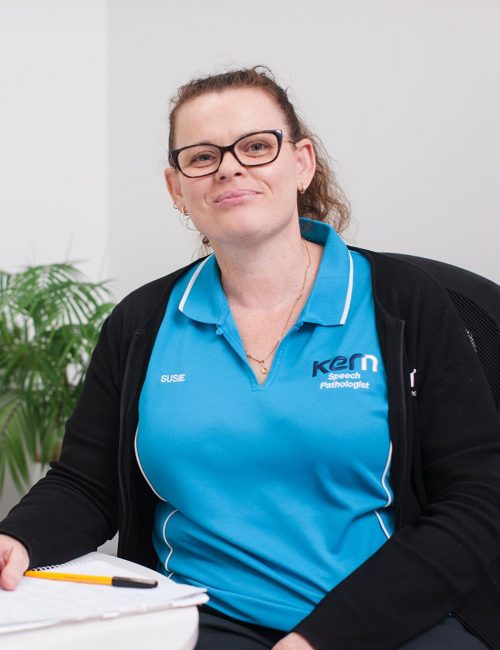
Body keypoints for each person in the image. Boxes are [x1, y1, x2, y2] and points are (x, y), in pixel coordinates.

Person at [0, 66, 499, 650]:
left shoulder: (404, 303)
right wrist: (17, 539)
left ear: (302, 162)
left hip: (386, 618)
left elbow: (479, 498)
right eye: (202, 157)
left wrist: (323, 638)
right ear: (176, 188)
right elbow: (89, 483)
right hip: (203, 617)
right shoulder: (143, 322)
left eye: (257, 147)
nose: (230, 167)